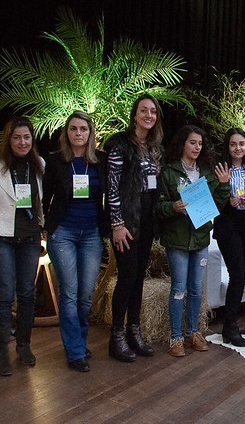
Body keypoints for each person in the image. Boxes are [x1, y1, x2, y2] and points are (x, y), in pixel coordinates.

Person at [0, 116, 45, 376]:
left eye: (26, 137)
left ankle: (24, 345)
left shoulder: (39, 164)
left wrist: (45, 229)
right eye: (16, 137)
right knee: (5, 294)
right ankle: (2, 352)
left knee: (27, 293)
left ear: (32, 139)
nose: (22, 142)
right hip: (1, 238)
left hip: (30, 238)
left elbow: (42, 202)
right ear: (9, 139)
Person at [42, 111, 107, 372]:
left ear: (90, 133)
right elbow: (44, 197)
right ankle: (75, 351)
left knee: (85, 294)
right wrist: (44, 227)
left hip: (91, 233)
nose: (78, 133)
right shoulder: (55, 161)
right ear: (66, 133)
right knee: (69, 293)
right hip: (63, 234)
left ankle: (78, 341)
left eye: (83, 129)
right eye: (73, 129)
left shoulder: (100, 161)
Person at [157, 125, 231, 357]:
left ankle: (192, 332)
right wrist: (173, 207)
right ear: (182, 144)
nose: (197, 147)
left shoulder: (207, 173)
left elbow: (217, 204)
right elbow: (158, 206)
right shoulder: (169, 171)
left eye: (200, 143)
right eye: (192, 142)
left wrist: (224, 185)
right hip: (177, 240)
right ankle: (176, 337)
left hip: (200, 239)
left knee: (196, 289)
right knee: (179, 288)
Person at [104, 94, 164, 362]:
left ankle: (134, 331)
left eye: (153, 111)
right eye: (144, 110)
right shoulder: (119, 145)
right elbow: (112, 188)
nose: (149, 115)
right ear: (135, 114)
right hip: (126, 222)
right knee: (127, 277)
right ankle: (116, 337)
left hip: (147, 220)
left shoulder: (154, 148)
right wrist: (117, 224)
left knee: (138, 277)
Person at [213, 128, 245, 347]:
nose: (237, 148)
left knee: (239, 275)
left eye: (241, 144)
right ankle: (230, 326)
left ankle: (231, 325)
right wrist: (227, 200)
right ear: (227, 146)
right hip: (228, 224)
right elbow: (212, 200)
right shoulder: (220, 168)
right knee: (238, 274)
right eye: (233, 144)